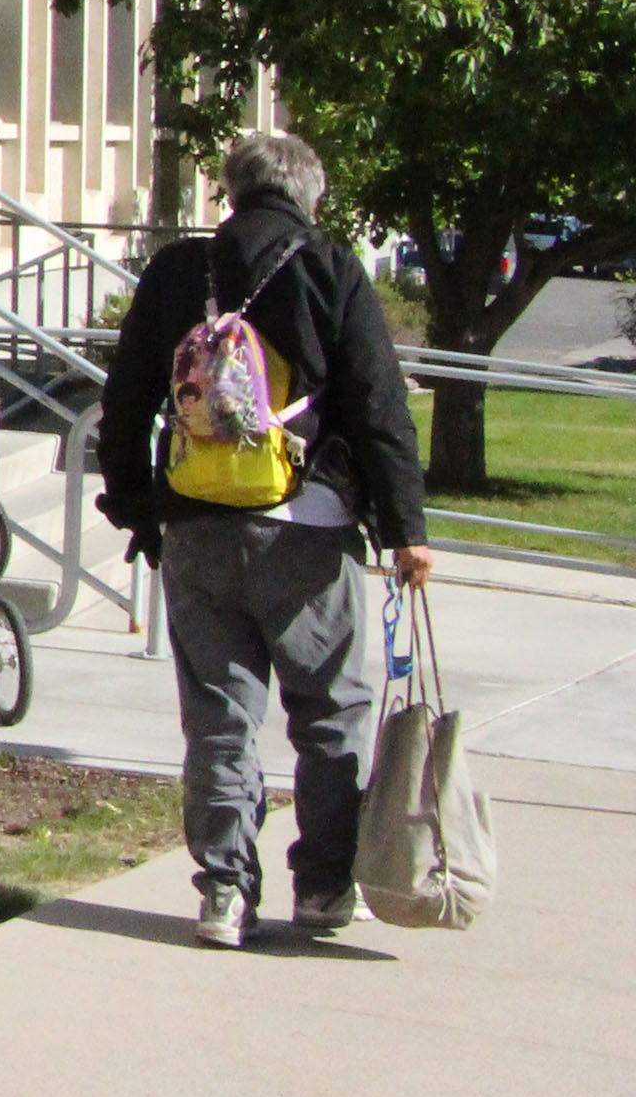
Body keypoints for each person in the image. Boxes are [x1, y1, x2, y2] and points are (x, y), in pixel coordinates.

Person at [96, 129, 434, 949]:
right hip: (307, 531)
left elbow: (128, 394)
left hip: (197, 526)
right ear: (309, 195)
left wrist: (142, 510)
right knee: (329, 715)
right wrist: (404, 531)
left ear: (233, 192)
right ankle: (321, 888)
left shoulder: (179, 269)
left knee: (218, 717)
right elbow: (377, 405)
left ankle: (222, 894)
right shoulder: (328, 267)